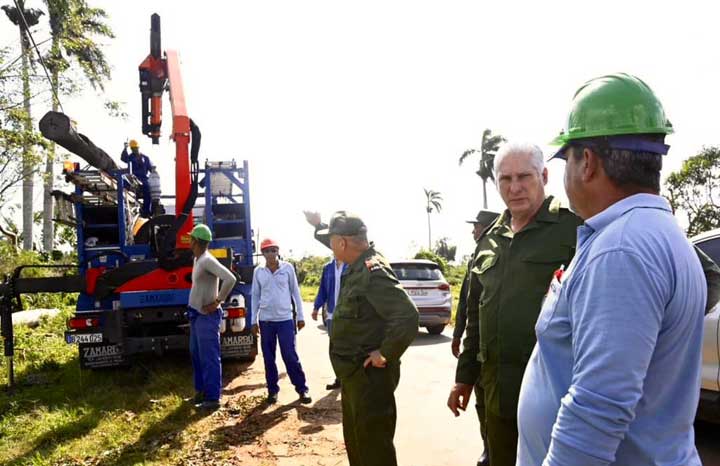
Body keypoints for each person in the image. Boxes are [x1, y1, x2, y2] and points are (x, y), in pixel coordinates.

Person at [516, 73, 707, 466]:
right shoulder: (653, 234)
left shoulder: (622, 248)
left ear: (586, 162)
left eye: (566, 158)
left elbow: (597, 407)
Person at [447, 142, 581, 466]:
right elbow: (476, 317)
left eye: (525, 176)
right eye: (505, 179)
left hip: (553, 396)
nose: (515, 187)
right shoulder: (489, 241)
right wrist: (464, 377)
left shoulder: (574, 229)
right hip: (496, 396)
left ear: (544, 176)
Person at [304, 210, 419, 466]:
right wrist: (319, 225)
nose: (331, 247)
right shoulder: (356, 262)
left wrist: (385, 352)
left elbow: (408, 316)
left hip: (370, 379)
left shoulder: (372, 271)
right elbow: (336, 241)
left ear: (342, 243)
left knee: (374, 449)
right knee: (358, 443)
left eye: (332, 242)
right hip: (355, 377)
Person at [451, 209, 498, 466]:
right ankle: (488, 446)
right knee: (481, 400)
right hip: (475, 340)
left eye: (477, 226)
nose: (473, 230)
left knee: (494, 402)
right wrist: (457, 334)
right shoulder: (475, 258)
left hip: (492, 343)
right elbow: (465, 305)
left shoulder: (501, 255)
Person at [251, 238, 311, 405]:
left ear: (278, 251)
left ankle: (302, 388)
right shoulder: (259, 272)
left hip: (285, 320)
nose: (270, 254)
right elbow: (255, 295)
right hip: (266, 321)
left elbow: (295, 292)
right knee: (269, 358)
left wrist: (300, 316)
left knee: (290, 356)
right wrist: (253, 320)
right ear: (262, 254)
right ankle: (272, 391)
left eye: (273, 250)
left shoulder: (287, 268)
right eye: (267, 251)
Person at [188, 224, 237, 411]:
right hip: (196, 314)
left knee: (209, 357)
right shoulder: (197, 259)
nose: (189, 242)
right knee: (197, 354)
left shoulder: (207, 260)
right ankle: (201, 391)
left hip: (206, 316)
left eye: (191, 239)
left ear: (196, 241)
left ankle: (212, 398)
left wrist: (217, 301)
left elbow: (230, 278)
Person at [312, 255, 348, 390]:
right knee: (334, 349)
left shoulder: (351, 265)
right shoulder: (327, 268)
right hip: (332, 314)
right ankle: (339, 378)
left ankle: (348, 378)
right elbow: (322, 290)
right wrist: (316, 307)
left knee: (347, 347)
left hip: (348, 315)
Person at [121, 139, 153, 218]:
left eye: (136, 148)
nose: (135, 150)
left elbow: (151, 169)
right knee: (123, 184)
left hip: (143, 179)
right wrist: (125, 148)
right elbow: (123, 158)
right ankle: (124, 206)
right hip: (132, 178)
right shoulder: (130, 157)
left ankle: (146, 211)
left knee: (148, 191)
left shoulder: (145, 158)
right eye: (133, 149)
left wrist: (154, 173)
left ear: (138, 147)